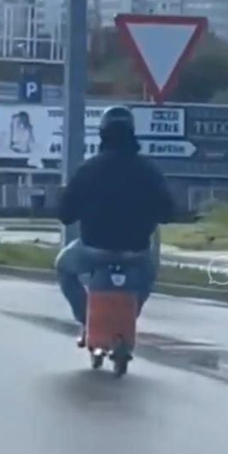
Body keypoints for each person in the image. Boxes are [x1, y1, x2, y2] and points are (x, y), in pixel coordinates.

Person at [55, 106, 177, 342]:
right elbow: (167, 212)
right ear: (132, 132)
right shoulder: (148, 171)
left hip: (93, 250)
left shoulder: (88, 170)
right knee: (148, 275)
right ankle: (129, 315)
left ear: (102, 134)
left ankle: (87, 318)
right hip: (136, 251)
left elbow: (65, 214)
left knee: (64, 267)